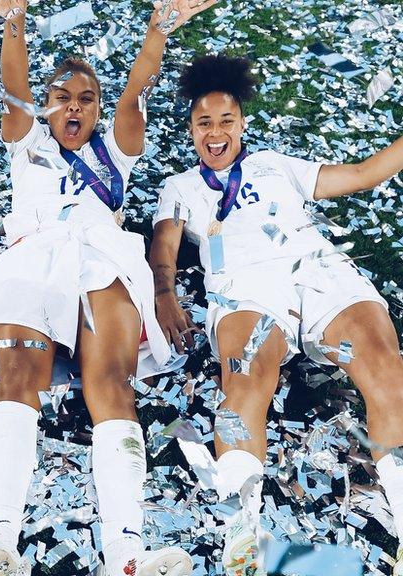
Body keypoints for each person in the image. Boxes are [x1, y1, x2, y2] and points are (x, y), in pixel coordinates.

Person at [0, 1, 217, 575]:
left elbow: (138, 87)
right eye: (62, 96)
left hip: (102, 263)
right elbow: (14, 85)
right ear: (47, 105)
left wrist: (157, 31)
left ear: (96, 108)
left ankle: (126, 553)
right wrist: (13, 18)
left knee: (112, 384)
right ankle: (0, 543)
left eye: (86, 98)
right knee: (19, 379)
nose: (73, 105)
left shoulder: (116, 150)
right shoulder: (25, 141)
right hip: (33, 260)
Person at [148, 53, 403, 576]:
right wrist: (165, 294)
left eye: (225, 121)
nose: (215, 133)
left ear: (242, 123)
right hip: (246, 289)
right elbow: (163, 250)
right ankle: (244, 535)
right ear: (191, 129)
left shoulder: (276, 165)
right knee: (245, 381)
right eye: (203, 123)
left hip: (319, 269)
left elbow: (360, 175)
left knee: (385, 370)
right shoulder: (180, 187)